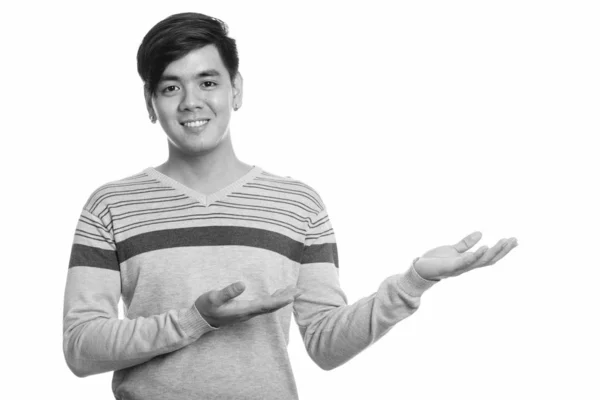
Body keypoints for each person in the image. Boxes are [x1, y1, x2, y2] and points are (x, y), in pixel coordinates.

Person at [62, 12, 518, 400]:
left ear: (236, 90)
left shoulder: (296, 204)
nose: (191, 102)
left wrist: (414, 282)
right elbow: (81, 348)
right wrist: (195, 319)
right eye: (170, 88)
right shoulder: (112, 205)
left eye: (207, 81)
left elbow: (324, 344)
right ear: (150, 103)